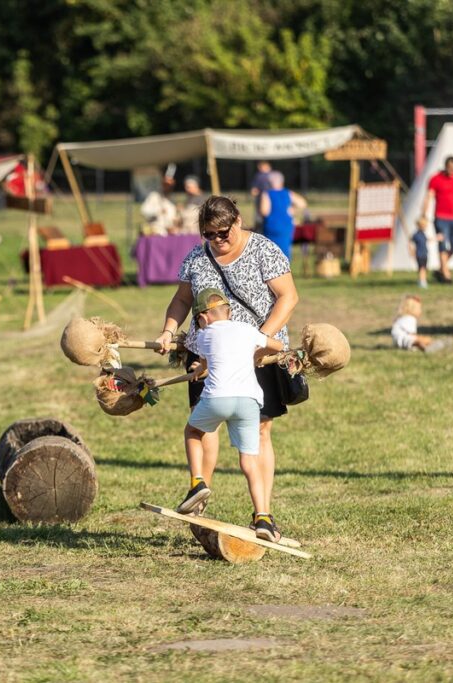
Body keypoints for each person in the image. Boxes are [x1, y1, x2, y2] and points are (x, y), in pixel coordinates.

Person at [154, 195, 299, 543]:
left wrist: (261, 339)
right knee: (203, 428)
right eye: (209, 234)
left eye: (223, 231)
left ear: (238, 221)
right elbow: (182, 300)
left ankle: (263, 516)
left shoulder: (264, 249)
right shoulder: (196, 258)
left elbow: (288, 297)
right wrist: (168, 331)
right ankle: (198, 500)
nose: (218, 239)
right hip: (209, 354)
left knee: (260, 433)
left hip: (259, 355)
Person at [177, 288, 286, 541]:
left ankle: (198, 483)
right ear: (229, 311)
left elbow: (205, 362)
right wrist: (256, 356)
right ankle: (263, 518)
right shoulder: (248, 331)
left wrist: (197, 369)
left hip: (218, 398)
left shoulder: (203, 335)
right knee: (249, 461)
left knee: (193, 431)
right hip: (248, 401)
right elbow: (278, 346)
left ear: (203, 318)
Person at [423, 156, 453, 284]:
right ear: (445, 166)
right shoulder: (435, 179)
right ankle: (446, 274)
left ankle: (440, 269)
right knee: (443, 245)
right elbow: (429, 196)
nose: (451, 170)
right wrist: (424, 213)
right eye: (449, 167)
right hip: (440, 218)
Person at [259, 171, 307, 261]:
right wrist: (293, 210)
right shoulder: (288, 193)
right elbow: (302, 203)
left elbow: (264, 211)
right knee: (285, 252)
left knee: (271, 254)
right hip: (286, 226)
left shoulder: (266, 194)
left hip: (271, 226)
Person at [249, 161, 273, 232]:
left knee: (260, 218)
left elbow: (254, 191)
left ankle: (260, 231)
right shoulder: (273, 176)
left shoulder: (259, 176)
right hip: (271, 200)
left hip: (261, 201)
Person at [409, 218, 430, 289]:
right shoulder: (416, 235)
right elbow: (410, 242)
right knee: (422, 268)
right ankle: (422, 281)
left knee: (424, 268)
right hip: (419, 254)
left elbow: (427, 239)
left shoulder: (423, 234)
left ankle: (422, 280)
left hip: (425, 253)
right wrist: (411, 251)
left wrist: (437, 238)